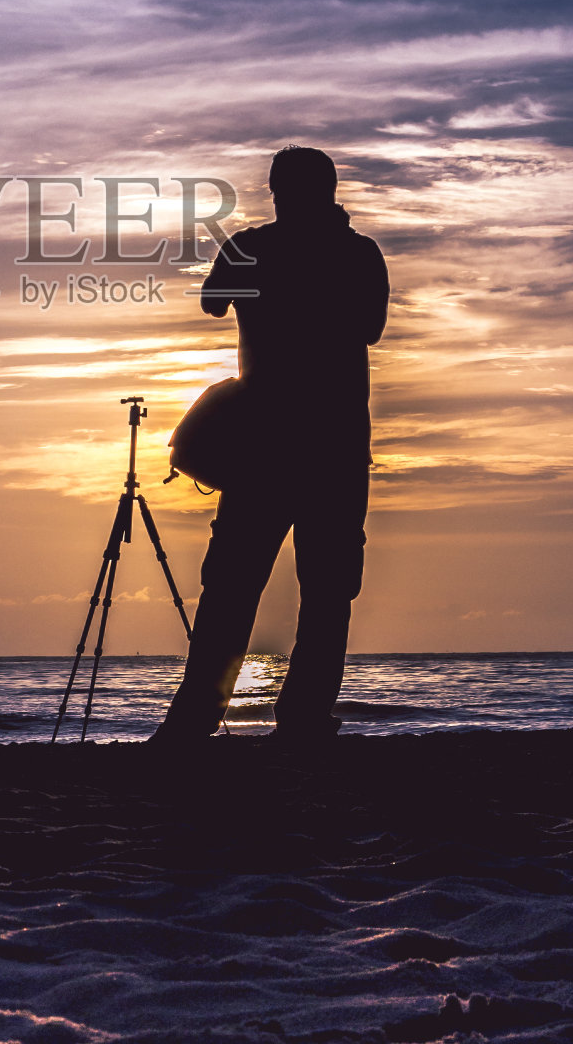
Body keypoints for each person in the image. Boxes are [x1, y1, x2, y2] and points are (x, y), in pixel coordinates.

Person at [151, 146, 389, 745]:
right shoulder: (358, 254)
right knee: (327, 590)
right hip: (333, 449)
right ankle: (303, 720)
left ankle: (196, 721)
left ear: (281, 191)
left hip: (268, 449)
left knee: (233, 586)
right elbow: (370, 327)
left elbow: (210, 303)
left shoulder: (252, 247)